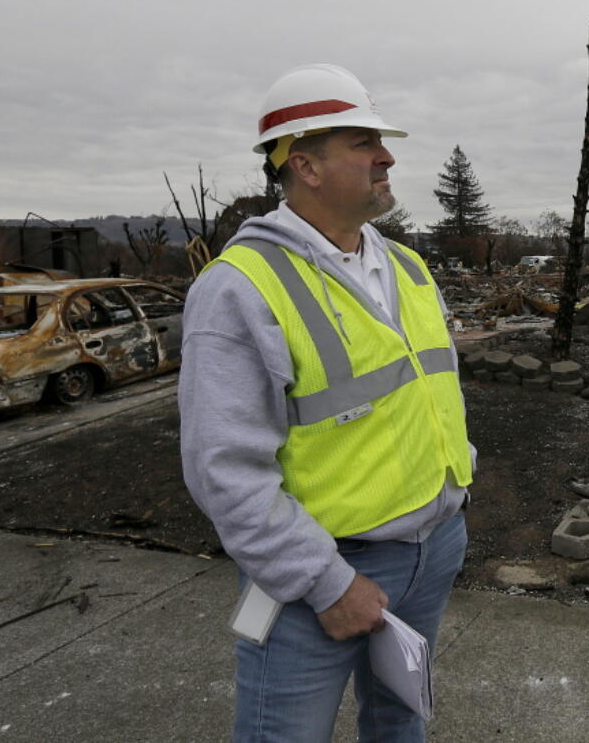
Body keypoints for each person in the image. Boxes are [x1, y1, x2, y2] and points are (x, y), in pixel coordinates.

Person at [179, 63, 474, 743]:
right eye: (363, 143)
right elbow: (222, 469)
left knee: (402, 722)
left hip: (433, 549)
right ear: (305, 165)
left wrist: (457, 487)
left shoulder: (406, 267)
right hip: (322, 577)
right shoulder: (239, 289)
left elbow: (431, 397)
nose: (387, 156)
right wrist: (326, 582)